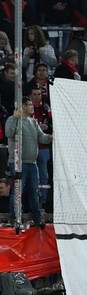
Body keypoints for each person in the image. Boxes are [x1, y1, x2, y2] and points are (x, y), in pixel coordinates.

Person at [5, 97, 52, 229]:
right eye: (30, 105)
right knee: (17, 191)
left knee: (33, 191)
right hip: (17, 162)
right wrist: (15, 117)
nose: (32, 107)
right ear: (23, 107)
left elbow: (42, 137)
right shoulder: (12, 120)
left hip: (32, 163)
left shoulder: (33, 122)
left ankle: (37, 219)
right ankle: (14, 218)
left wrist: (50, 137)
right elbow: (9, 133)